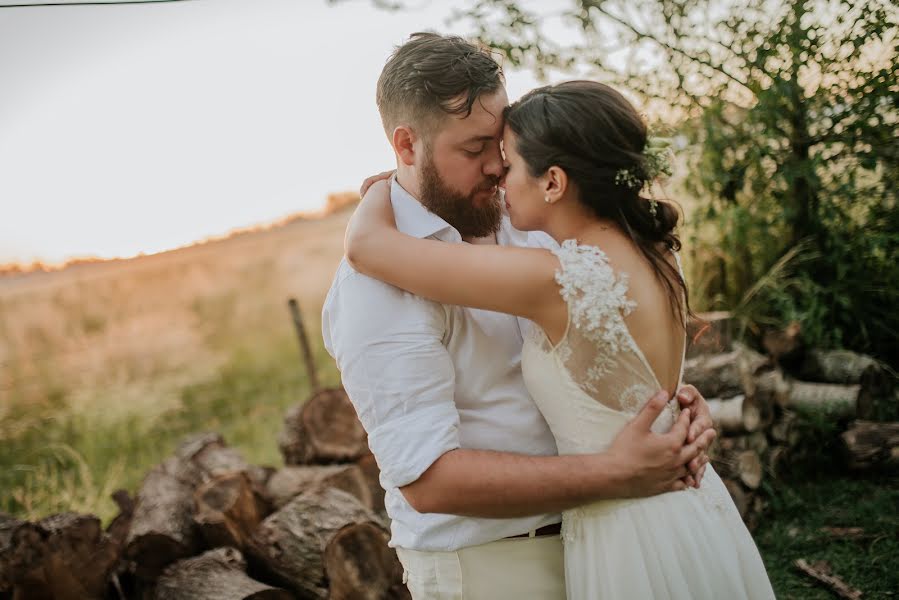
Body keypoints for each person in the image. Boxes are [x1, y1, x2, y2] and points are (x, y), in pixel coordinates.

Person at [322, 32, 721, 599]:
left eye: (502, 143)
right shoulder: (376, 287)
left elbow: (606, 347)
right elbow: (429, 481)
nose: (496, 166)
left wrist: (661, 409)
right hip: (496, 566)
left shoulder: (536, 216)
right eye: (473, 148)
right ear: (406, 146)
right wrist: (620, 471)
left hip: (610, 534)